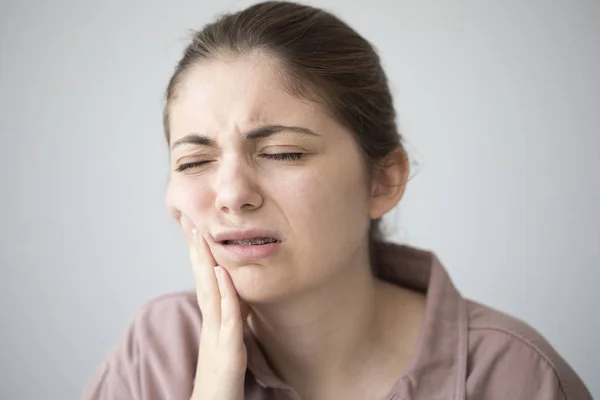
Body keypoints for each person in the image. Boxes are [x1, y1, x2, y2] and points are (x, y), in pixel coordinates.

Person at [82, 1, 592, 399]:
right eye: (194, 162)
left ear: (382, 182)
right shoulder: (156, 353)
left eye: (283, 153)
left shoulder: (514, 375)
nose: (233, 195)